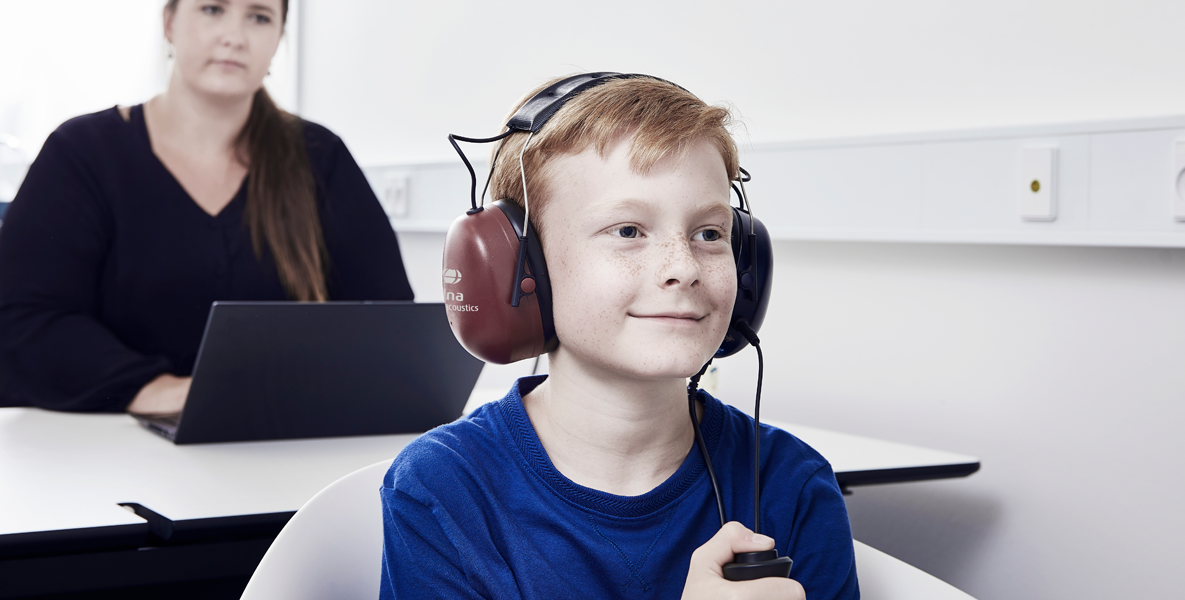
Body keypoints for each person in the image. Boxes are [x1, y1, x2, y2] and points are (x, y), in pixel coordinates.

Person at [379, 75, 858, 599]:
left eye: (710, 234)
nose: (683, 268)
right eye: (628, 231)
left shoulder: (793, 485)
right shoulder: (444, 489)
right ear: (519, 269)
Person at [0, 0, 411, 414]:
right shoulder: (81, 154)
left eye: (259, 17)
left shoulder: (321, 157)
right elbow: (23, 319)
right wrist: (155, 390)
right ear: (169, 23)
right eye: (212, 9)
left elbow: (390, 322)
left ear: (278, 40)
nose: (233, 36)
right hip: (105, 446)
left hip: (279, 439)